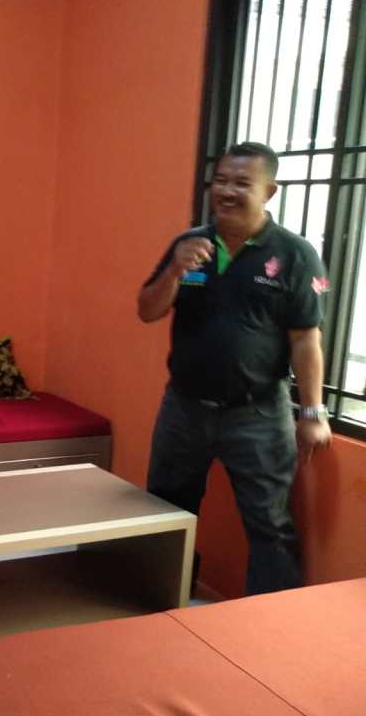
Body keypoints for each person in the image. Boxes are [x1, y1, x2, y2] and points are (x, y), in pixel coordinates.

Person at [138, 141, 332, 595]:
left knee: (270, 523)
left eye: (242, 183)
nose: (226, 190)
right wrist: (174, 271)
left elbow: (306, 340)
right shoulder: (190, 244)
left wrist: (313, 412)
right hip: (184, 408)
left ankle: (269, 621)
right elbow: (146, 310)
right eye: (221, 180)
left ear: (269, 191)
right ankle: (162, 602)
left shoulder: (295, 254)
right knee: (164, 511)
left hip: (258, 414)